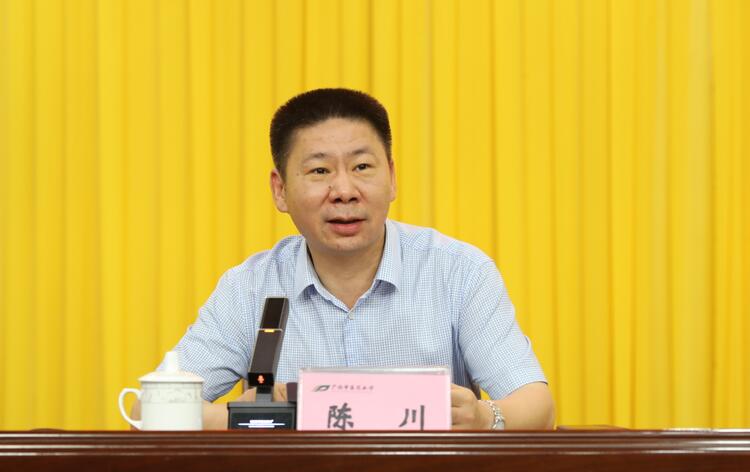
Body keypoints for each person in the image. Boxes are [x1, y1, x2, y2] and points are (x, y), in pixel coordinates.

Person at [133, 88, 554, 430]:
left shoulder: (458, 272)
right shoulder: (249, 288)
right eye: (319, 171)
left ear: (392, 177)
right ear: (280, 190)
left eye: (362, 166)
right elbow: (145, 412)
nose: (345, 191)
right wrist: (248, 418)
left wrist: (485, 417)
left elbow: (536, 404)